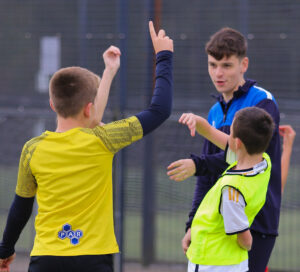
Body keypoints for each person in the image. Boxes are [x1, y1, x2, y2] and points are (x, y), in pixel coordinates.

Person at [0, 21, 173, 272]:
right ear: (90, 108)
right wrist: (164, 56)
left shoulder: (33, 149)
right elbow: (160, 110)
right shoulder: (103, 139)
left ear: (52, 104)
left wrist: (5, 250)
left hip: (47, 259)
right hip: (95, 259)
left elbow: (21, 206)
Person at [167, 27, 281, 272]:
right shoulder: (215, 112)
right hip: (217, 229)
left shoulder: (262, 102)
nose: (218, 73)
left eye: (227, 65)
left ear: (244, 64)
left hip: (255, 224)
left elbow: (250, 157)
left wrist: (199, 159)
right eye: (212, 64)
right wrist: (192, 224)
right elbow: (207, 180)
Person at [175, 107, 274, 272]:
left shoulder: (232, 190)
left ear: (237, 143)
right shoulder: (263, 162)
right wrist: (199, 122)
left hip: (212, 262)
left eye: (230, 132)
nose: (227, 136)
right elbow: (217, 136)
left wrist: (246, 244)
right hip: (234, 261)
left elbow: (245, 239)